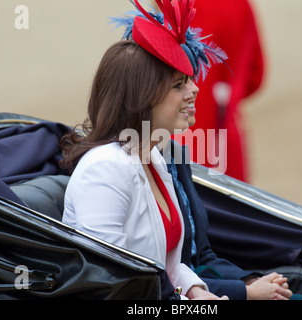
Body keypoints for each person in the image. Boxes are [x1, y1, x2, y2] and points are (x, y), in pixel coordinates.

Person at [60, 0, 228, 300]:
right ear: (141, 98)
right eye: (179, 85)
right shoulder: (105, 170)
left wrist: (200, 294)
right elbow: (113, 280)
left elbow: (167, 265)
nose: (194, 90)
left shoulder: (152, 157)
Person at [164, 79, 293, 300]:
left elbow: (198, 254)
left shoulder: (172, 153)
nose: (194, 88)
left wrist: (247, 281)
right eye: (178, 83)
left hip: (203, 132)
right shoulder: (132, 164)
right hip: (215, 131)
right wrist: (246, 291)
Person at [172, 0, 265, 182]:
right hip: (227, 136)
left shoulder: (180, 4)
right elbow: (256, 75)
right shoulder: (241, 4)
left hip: (183, 138)